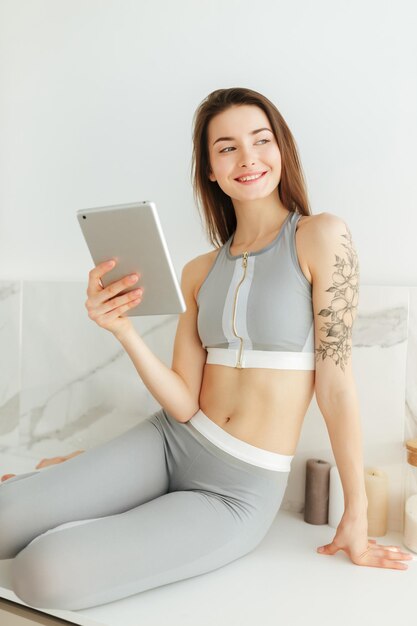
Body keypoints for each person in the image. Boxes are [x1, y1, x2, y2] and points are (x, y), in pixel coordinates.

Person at [0, 87, 412, 611]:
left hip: (236, 491)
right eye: (227, 147)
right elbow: (184, 403)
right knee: (5, 514)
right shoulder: (198, 272)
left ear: (281, 150)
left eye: (260, 141)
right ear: (210, 170)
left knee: (43, 572)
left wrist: (358, 510)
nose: (248, 158)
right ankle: (68, 479)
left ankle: (78, 485)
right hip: (169, 441)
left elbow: (335, 384)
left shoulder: (321, 237)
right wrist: (122, 331)